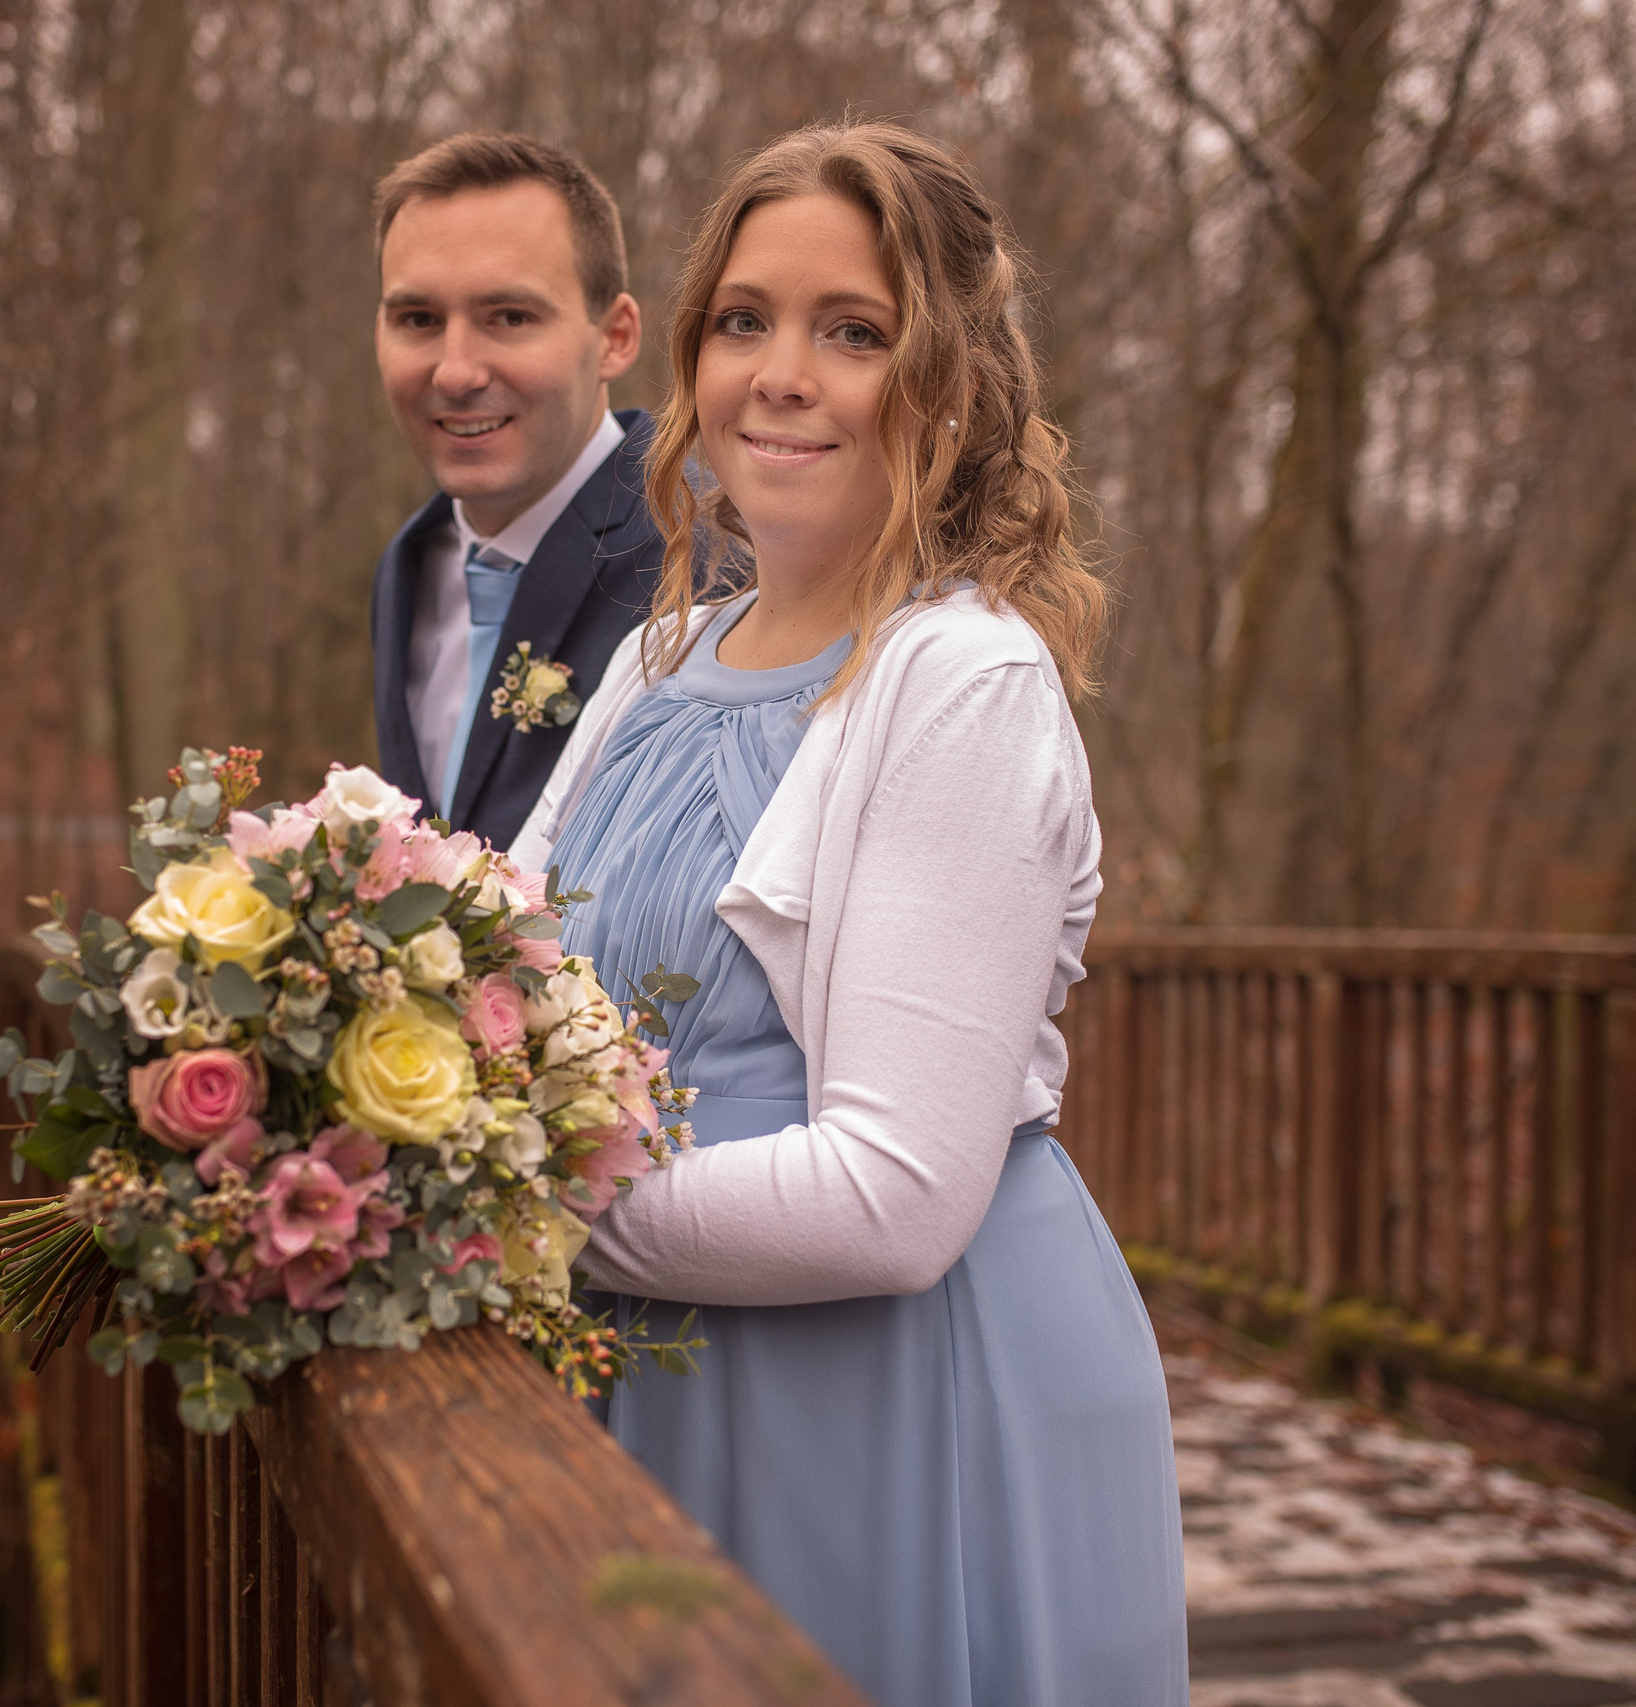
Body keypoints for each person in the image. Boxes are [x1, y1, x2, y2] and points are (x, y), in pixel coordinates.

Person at [512, 123, 1189, 1706]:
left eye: (854, 331)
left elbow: (893, 1194)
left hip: (888, 1383)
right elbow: (500, 962)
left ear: (946, 385)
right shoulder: (658, 657)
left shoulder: (963, 680)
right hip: (653, 1359)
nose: (781, 373)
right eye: (744, 320)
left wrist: (512, 1215)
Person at [368, 133, 663, 848]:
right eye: (419, 320)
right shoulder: (408, 565)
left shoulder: (703, 554)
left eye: (509, 317)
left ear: (615, 337)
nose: (456, 371)